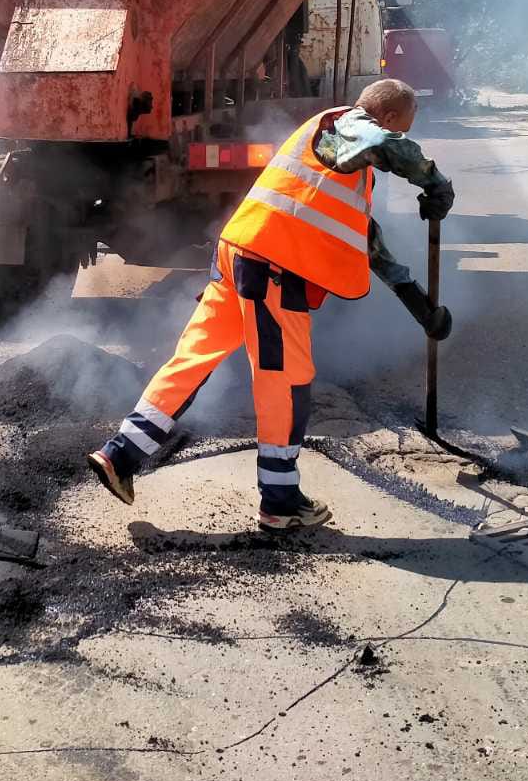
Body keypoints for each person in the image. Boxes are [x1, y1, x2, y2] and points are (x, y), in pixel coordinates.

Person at [86, 78, 455, 532]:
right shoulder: (346, 124)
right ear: (392, 116)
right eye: (405, 126)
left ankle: (119, 455)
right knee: (285, 383)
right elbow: (384, 142)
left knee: (193, 359)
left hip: (240, 257)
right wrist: (434, 181)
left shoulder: (336, 165)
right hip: (274, 272)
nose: (400, 134)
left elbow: (373, 250)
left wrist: (424, 310)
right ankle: (280, 501)